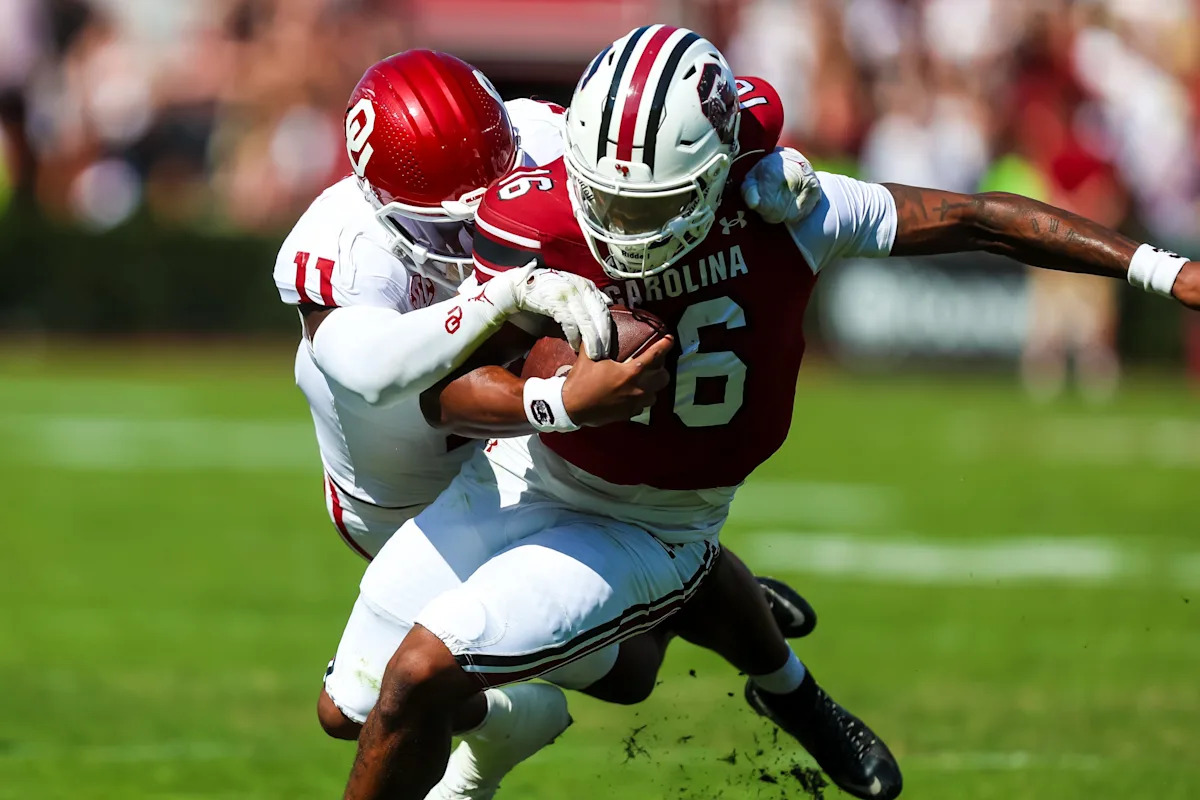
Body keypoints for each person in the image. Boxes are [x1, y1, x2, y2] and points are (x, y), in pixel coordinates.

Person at [335, 24, 1200, 800]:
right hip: (526, 475)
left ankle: (757, 674)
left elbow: (977, 219)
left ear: (714, 173)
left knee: (423, 673)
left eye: (651, 207)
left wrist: (1164, 269)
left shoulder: (789, 209)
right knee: (350, 707)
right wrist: (556, 399)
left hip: (657, 523)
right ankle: (573, 707)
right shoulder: (535, 214)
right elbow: (443, 395)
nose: (623, 228)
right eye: (607, 198)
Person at [274, 49, 824, 799]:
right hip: (399, 491)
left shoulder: (539, 133)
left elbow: (683, 126)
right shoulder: (341, 245)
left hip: (518, 462)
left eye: (493, 194)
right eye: (453, 223)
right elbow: (375, 374)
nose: (481, 231)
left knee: (625, 645)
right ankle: (522, 713)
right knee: (354, 712)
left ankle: (701, 603)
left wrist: (757, 167)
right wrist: (500, 299)